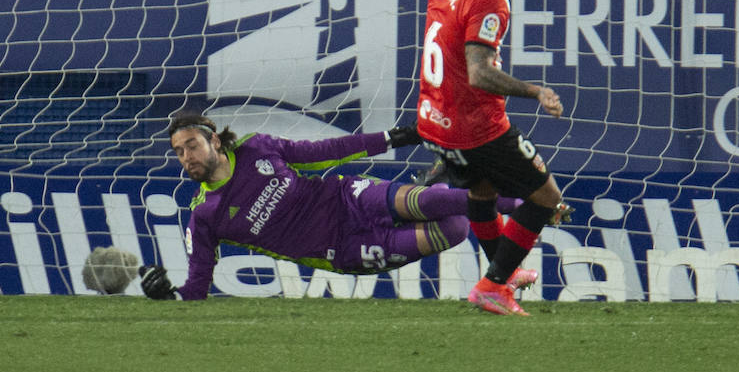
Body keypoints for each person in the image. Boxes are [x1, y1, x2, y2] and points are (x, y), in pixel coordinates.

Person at [139, 114, 533, 301]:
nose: (185, 156)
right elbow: (196, 288)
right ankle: (502, 262)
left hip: (344, 197)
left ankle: (522, 203)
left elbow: (325, 152)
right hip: (339, 251)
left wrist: (392, 138)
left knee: (424, 201)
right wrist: (165, 294)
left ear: (215, 141)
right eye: (178, 152)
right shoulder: (204, 215)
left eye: (191, 145)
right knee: (455, 228)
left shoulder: (257, 148)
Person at [415, 0, 566, 316]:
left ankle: (503, 270)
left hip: (435, 119)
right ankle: (493, 286)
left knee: (483, 190)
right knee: (546, 197)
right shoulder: (490, 1)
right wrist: (535, 90)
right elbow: (480, 74)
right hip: (476, 126)